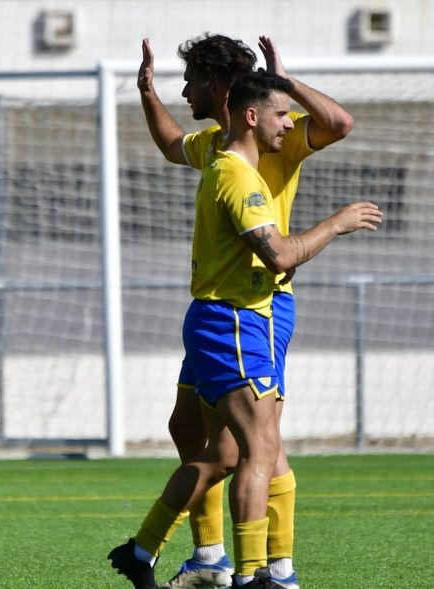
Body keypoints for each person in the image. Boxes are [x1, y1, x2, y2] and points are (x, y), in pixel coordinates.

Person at [108, 71, 382, 589]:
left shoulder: (256, 156)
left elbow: (338, 122)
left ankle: (153, 551)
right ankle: (257, 575)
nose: (290, 123)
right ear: (248, 111)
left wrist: (287, 81)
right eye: (281, 114)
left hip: (249, 310)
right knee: (256, 449)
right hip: (235, 317)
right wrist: (336, 223)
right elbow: (278, 251)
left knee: (232, 452)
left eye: (189, 82)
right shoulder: (232, 167)